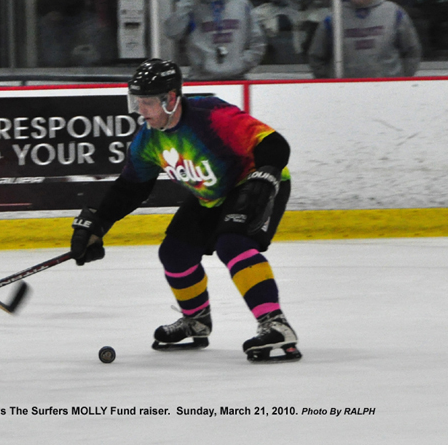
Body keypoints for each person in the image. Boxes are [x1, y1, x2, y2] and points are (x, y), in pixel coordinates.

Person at [69, 59, 300, 363]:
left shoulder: (212, 115)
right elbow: (131, 188)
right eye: (137, 101)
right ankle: (196, 320)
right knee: (175, 253)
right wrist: (96, 224)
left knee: (233, 244)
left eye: (148, 102)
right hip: (212, 196)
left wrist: (266, 175)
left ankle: (275, 324)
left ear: (172, 99)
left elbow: (274, 144)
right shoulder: (147, 140)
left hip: (256, 185)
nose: (140, 109)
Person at [163, 0, 266, 80]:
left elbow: (257, 41)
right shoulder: (191, 6)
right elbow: (171, 31)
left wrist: (243, 63)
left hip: (236, 78)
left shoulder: (241, 4)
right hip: (200, 79)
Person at [308, 0, 421, 78]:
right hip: (345, 91)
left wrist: (402, 79)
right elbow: (316, 56)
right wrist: (329, 83)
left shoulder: (393, 13)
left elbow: (412, 50)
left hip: (387, 90)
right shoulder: (334, 17)